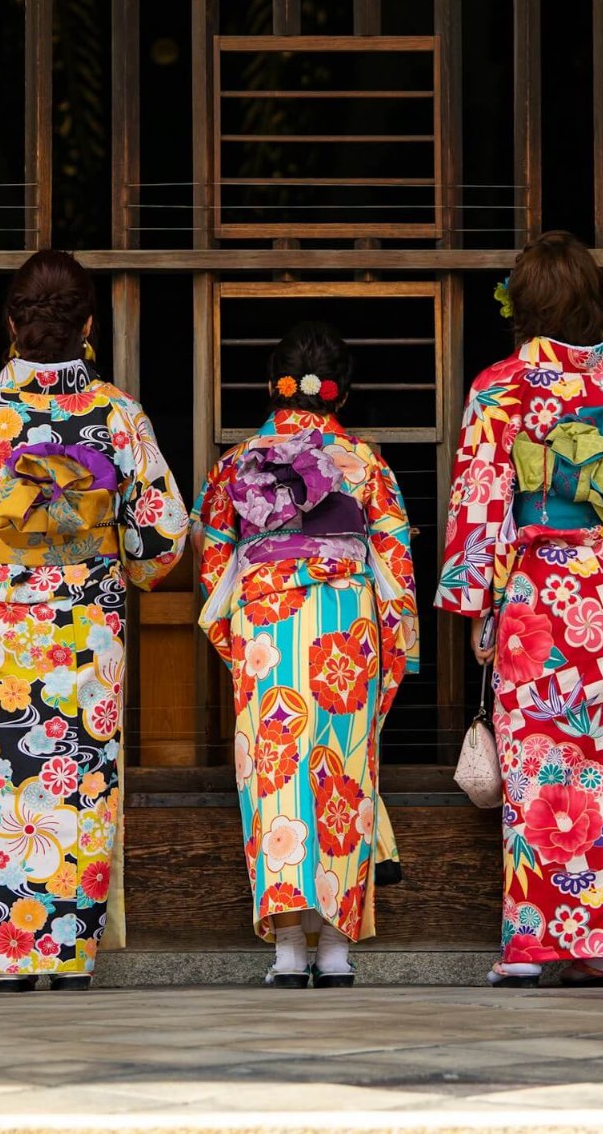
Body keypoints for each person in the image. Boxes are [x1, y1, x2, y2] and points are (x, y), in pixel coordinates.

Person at [0, 250, 188, 992]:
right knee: (80, 785)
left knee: (5, 784)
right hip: (85, 628)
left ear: (11, 321)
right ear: (89, 324)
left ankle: (10, 955)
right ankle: (69, 953)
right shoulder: (117, 414)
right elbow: (162, 532)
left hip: (5, 624)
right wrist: (123, 564)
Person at [435, 232, 603, 987]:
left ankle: (536, 941)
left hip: (541, 591)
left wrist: (475, 600)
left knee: (540, 760)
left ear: (523, 305)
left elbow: (481, 498)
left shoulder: (502, 386)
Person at [194, 322, 419, 987]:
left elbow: (213, 562)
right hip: (346, 625)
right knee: (343, 772)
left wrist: (236, 638)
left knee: (276, 773)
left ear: (273, 387)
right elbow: (397, 565)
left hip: (267, 624)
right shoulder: (365, 463)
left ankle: (288, 949)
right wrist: (391, 645)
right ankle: (338, 949)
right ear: (340, 394)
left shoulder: (237, 464)